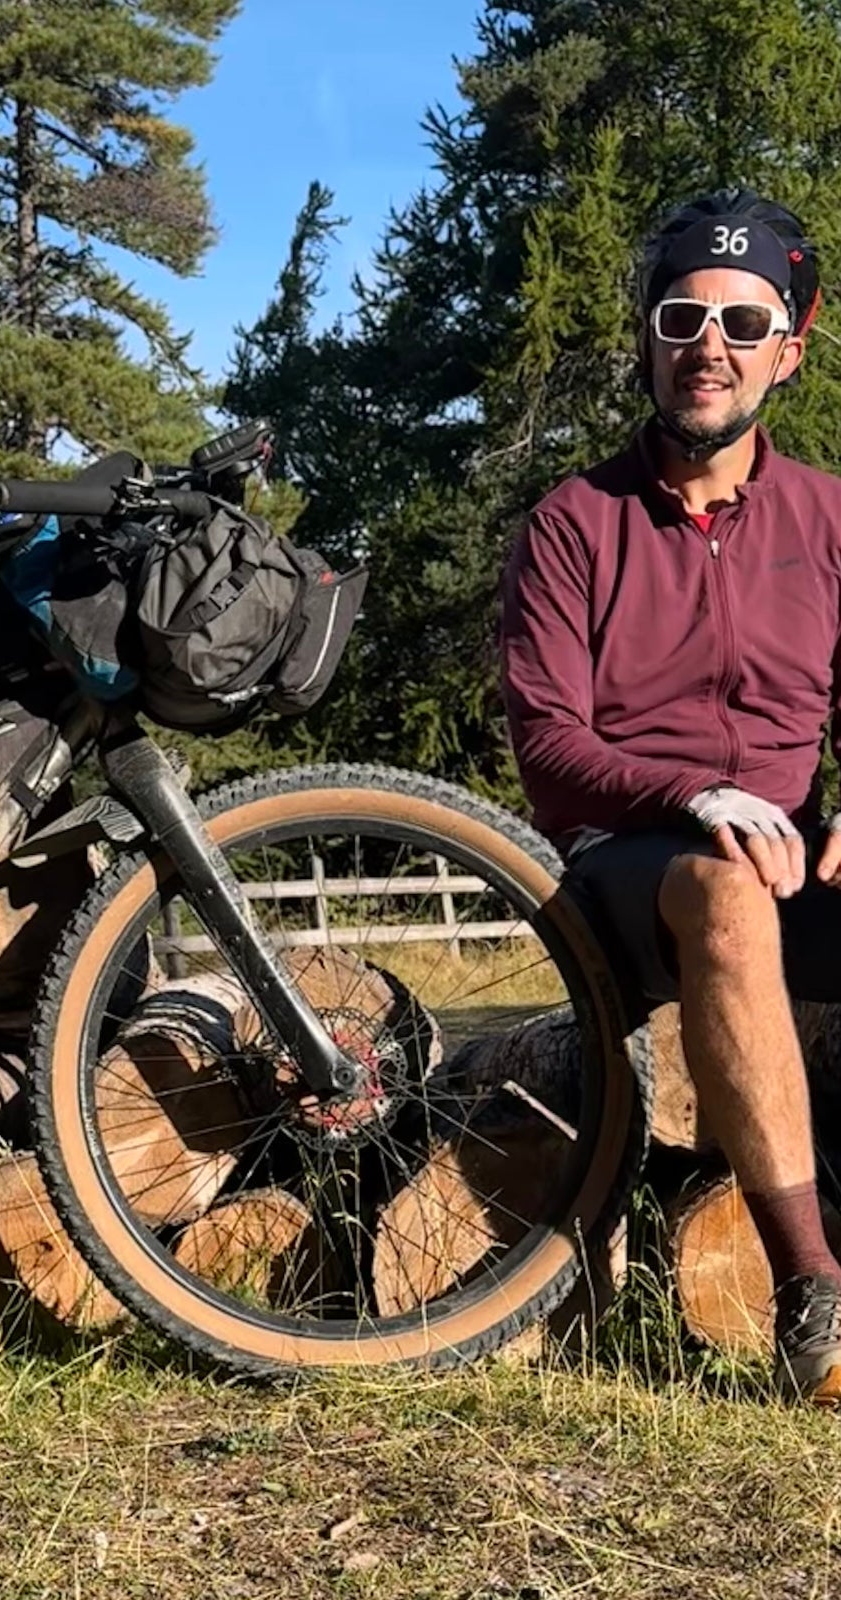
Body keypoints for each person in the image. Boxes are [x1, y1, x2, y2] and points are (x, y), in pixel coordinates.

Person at [499, 189, 841, 1404]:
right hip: (628, 867)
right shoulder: (573, 522)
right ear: (646, 339)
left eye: (745, 325)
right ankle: (813, 1295)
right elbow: (547, 743)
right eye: (683, 315)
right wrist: (697, 796)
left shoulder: (829, 516)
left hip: (796, 853)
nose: (710, 345)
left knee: (761, 877)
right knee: (726, 889)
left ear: (788, 353)